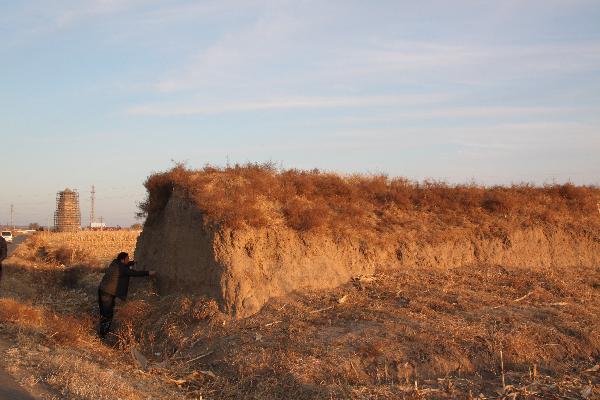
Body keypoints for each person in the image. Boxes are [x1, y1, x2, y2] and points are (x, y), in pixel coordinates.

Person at [97, 252, 155, 338]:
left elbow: (124, 266)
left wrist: (132, 262)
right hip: (107, 293)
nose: (128, 260)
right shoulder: (122, 269)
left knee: (104, 312)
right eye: (127, 259)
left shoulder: (115, 263)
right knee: (108, 314)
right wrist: (148, 273)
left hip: (102, 290)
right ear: (122, 259)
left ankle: (103, 330)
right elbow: (133, 273)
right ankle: (103, 334)